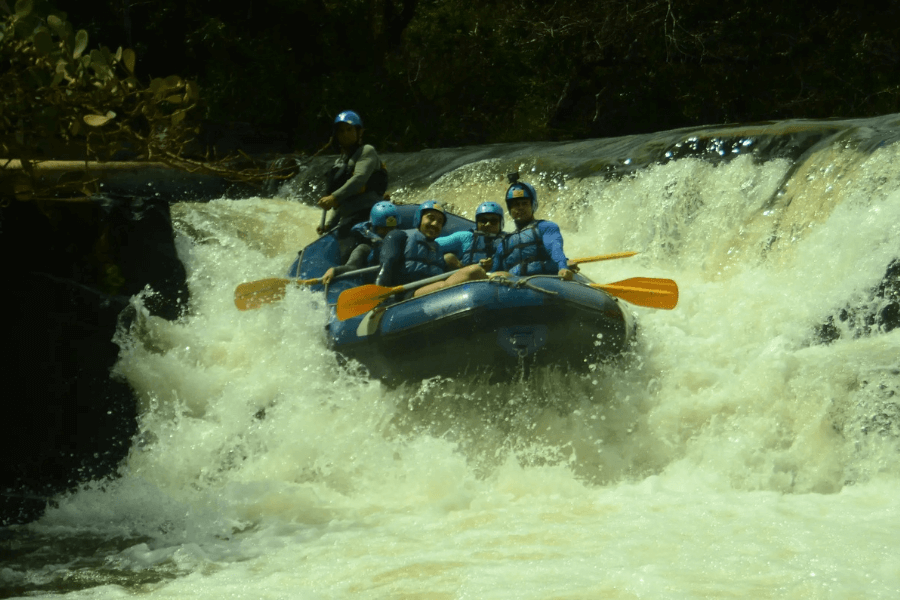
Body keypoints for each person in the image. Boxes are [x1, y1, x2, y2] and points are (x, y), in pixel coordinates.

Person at [376, 200, 487, 298]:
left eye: (440, 221)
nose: (435, 224)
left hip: (430, 293)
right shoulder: (399, 236)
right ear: (419, 219)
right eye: (431, 218)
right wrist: (379, 294)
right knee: (472, 272)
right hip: (405, 294)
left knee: (463, 265)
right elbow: (386, 265)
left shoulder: (437, 247)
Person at [316, 111, 388, 245]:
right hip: (349, 218)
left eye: (349, 129)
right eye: (341, 131)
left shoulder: (367, 151)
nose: (345, 134)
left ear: (359, 132)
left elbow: (359, 179)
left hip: (368, 214)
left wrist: (333, 198)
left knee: (350, 249)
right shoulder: (339, 163)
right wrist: (330, 225)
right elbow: (343, 201)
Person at [494, 178, 576, 280]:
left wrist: (563, 267)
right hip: (514, 284)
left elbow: (555, 250)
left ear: (533, 205)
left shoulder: (545, 227)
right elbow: (493, 271)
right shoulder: (504, 242)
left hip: (543, 279)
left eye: (524, 203)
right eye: (515, 204)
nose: (520, 208)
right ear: (510, 209)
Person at [321, 201, 399, 285]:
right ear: (374, 227)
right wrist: (334, 270)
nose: (388, 232)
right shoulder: (364, 249)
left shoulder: (401, 240)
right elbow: (352, 267)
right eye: (384, 228)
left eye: (391, 228)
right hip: (373, 285)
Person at [435, 201, 505, 271]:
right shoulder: (466, 237)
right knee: (449, 258)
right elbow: (433, 244)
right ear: (477, 223)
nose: (488, 224)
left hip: (495, 277)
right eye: (483, 220)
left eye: (493, 221)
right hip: (466, 276)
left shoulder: (507, 241)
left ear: (501, 224)